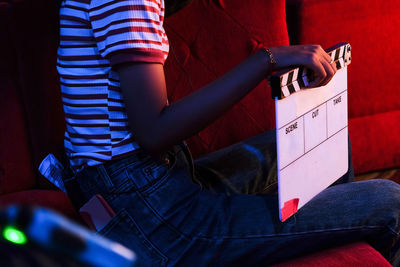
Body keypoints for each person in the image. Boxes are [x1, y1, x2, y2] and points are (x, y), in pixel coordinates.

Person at [57, 0, 400, 265]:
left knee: (314, 146)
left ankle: (337, 236)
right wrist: (266, 60)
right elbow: (154, 132)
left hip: (146, 183)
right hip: (152, 216)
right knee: (392, 202)